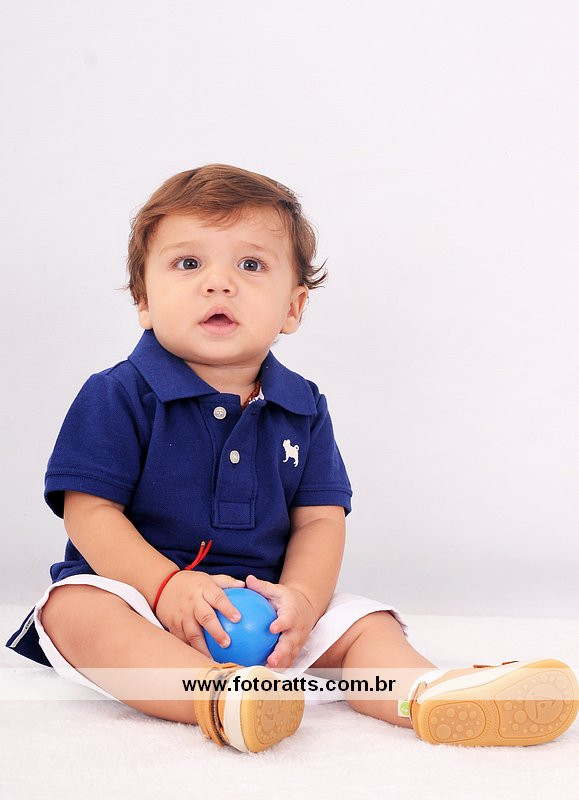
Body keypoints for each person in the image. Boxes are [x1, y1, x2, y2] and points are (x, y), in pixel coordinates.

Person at [6, 164, 577, 753]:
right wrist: (166, 588)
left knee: (365, 624)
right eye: (189, 263)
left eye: (250, 265)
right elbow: (89, 512)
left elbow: (320, 519)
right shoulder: (120, 393)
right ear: (144, 302)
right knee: (76, 609)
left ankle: (426, 694)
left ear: (292, 308)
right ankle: (218, 699)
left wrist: (302, 600)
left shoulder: (302, 405)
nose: (219, 283)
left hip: (269, 619)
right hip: (144, 603)